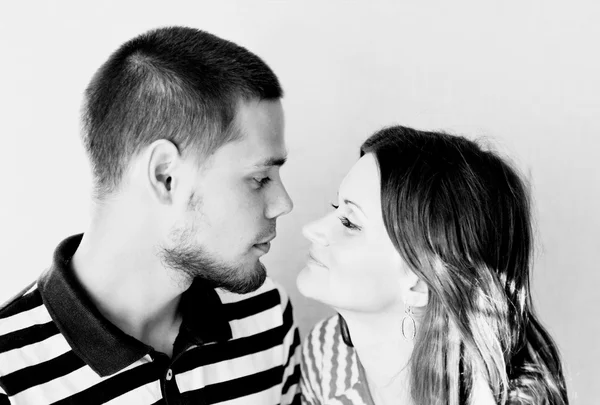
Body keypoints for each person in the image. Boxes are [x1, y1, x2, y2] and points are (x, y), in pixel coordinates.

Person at [0, 26, 300, 405]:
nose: (283, 203)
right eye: (260, 178)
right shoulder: (10, 377)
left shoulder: (267, 315)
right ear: (165, 176)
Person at [297, 126, 569, 405]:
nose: (311, 229)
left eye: (350, 223)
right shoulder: (326, 353)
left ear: (418, 282)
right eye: (335, 207)